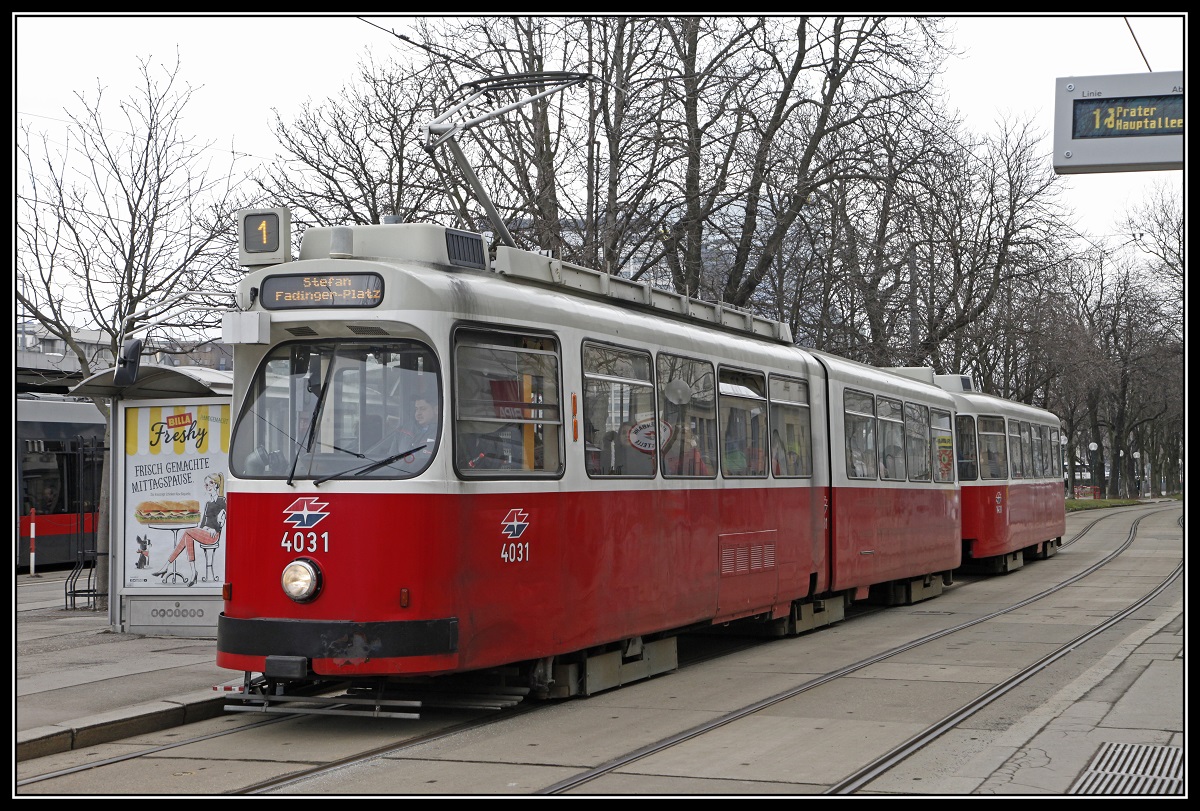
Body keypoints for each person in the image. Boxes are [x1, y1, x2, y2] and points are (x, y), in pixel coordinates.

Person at [153, 473, 226, 587]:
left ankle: (167, 567)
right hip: (205, 533)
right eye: (206, 485)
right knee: (187, 536)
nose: (208, 486)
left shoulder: (222, 501)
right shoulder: (208, 504)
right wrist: (205, 527)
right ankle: (190, 572)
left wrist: (216, 529)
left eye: (210, 483)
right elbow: (202, 524)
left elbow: (223, 519)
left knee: (187, 532)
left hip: (213, 536)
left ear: (216, 485)